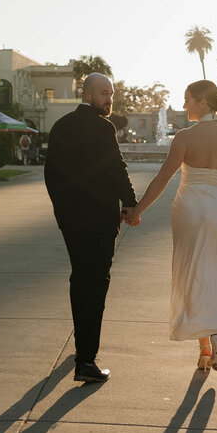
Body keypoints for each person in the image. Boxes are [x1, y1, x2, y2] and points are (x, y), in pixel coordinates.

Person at [127, 79, 217, 373]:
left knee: (192, 273)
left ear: (203, 103)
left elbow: (163, 178)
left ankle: (205, 349)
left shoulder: (185, 137)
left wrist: (138, 210)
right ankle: (215, 336)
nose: (184, 105)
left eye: (187, 100)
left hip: (189, 209)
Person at [44, 73, 137, 383]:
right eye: (102, 93)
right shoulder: (103, 127)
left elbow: (51, 175)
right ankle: (86, 360)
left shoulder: (60, 126)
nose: (108, 99)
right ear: (86, 93)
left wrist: (62, 212)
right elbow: (116, 166)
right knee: (96, 286)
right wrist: (130, 203)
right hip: (98, 222)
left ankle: (82, 347)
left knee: (80, 279)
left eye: (111, 92)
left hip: (71, 222)